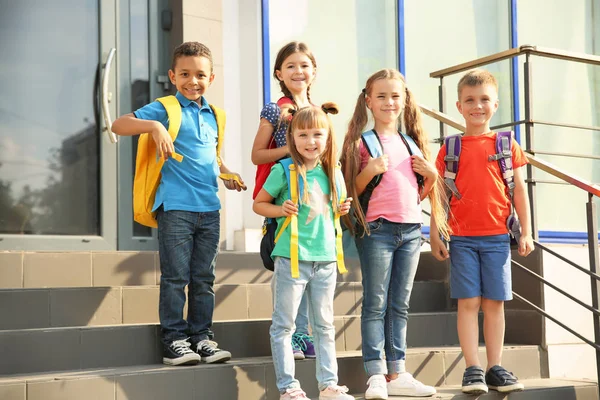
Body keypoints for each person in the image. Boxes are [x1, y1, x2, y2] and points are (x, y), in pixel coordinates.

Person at [112, 41, 245, 366]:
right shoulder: (165, 108)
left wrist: (226, 172)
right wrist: (154, 125)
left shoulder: (215, 115)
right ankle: (174, 341)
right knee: (175, 277)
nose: (192, 81)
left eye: (200, 75)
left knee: (204, 278)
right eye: (185, 74)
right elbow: (119, 124)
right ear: (173, 75)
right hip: (176, 208)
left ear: (211, 78)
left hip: (209, 210)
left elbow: (211, 155)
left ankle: (202, 338)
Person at [340, 69, 448, 399]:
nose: (389, 102)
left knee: (399, 304)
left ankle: (396, 371)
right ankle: (375, 372)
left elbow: (418, 192)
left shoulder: (412, 143)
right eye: (382, 96)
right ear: (369, 101)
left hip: (411, 231)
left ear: (404, 101)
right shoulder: (362, 143)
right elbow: (350, 192)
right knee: (376, 302)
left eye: (395, 96)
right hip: (377, 230)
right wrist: (369, 171)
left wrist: (431, 175)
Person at [429, 69, 534, 395]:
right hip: (461, 239)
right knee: (468, 302)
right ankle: (472, 368)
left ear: (496, 104)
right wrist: (435, 233)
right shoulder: (450, 148)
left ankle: (495, 367)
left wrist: (527, 232)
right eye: (470, 101)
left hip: (498, 238)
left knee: (494, 303)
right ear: (459, 106)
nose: (478, 106)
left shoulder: (506, 144)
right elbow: (439, 193)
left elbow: (519, 192)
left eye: (484, 100)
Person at [253, 103, 354, 400]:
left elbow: (333, 211)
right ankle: (289, 388)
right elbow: (259, 204)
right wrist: (280, 209)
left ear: (327, 137)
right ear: (292, 139)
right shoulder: (283, 169)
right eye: (303, 135)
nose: (311, 141)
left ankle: (328, 385)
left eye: (317, 135)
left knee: (324, 325)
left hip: (325, 260)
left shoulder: (333, 172)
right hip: (291, 258)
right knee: (283, 325)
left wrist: (342, 209)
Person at [251, 41, 318, 360]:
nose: (298, 71)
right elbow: (257, 155)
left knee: (308, 270)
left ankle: (303, 334)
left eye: (304, 65)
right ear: (279, 73)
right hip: (281, 202)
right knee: (286, 273)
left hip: (312, 204)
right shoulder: (274, 109)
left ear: (314, 71)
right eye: (290, 65)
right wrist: (291, 149)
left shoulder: (317, 111)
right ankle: (287, 334)